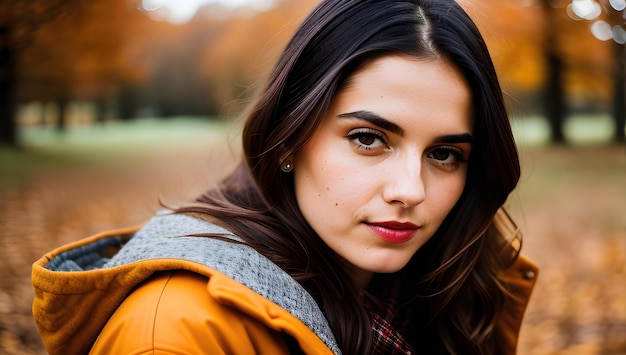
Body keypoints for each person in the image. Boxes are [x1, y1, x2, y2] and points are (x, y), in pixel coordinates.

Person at [32, 0, 538, 353]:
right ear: (289, 138)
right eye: (368, 138)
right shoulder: (174, 333)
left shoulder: (453, 297)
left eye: (445, 153)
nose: (410, 190)